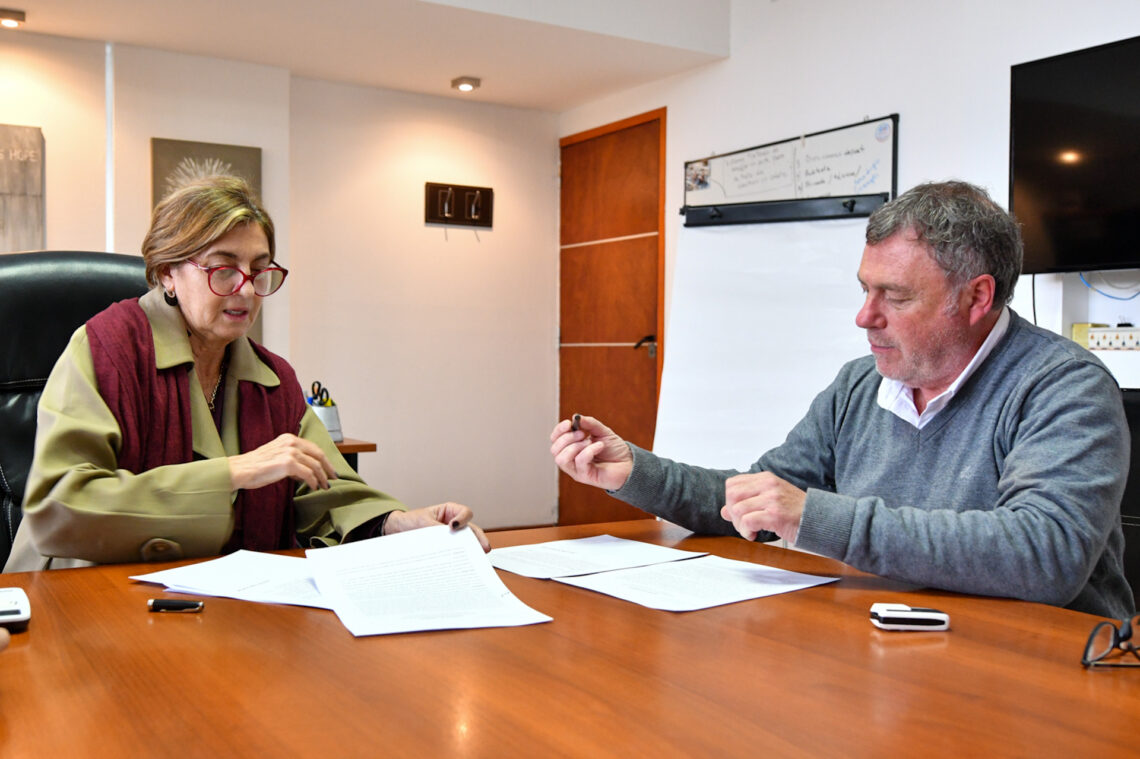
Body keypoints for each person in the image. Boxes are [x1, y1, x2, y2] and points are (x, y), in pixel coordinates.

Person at [551, 180, 1134, 619]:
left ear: (977, 297)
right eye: (864, 289)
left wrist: (817, 517)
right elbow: (755, 503)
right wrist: (634, 470)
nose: (864, 316)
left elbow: (1046, 555)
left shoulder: (1063, 385)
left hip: (1040, 672)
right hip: (894, 645)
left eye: (895, 296)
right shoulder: (859, 384)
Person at [5, 175, 487, 572]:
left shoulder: (272, 378)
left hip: (219, 604)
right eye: (222, 269)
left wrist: (396, 524)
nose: (246, 290)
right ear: (169, 272)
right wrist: (235, 472)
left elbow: (326, 490)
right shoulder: (107, 348)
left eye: (259, 271)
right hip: (75, 606)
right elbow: (60, 509)